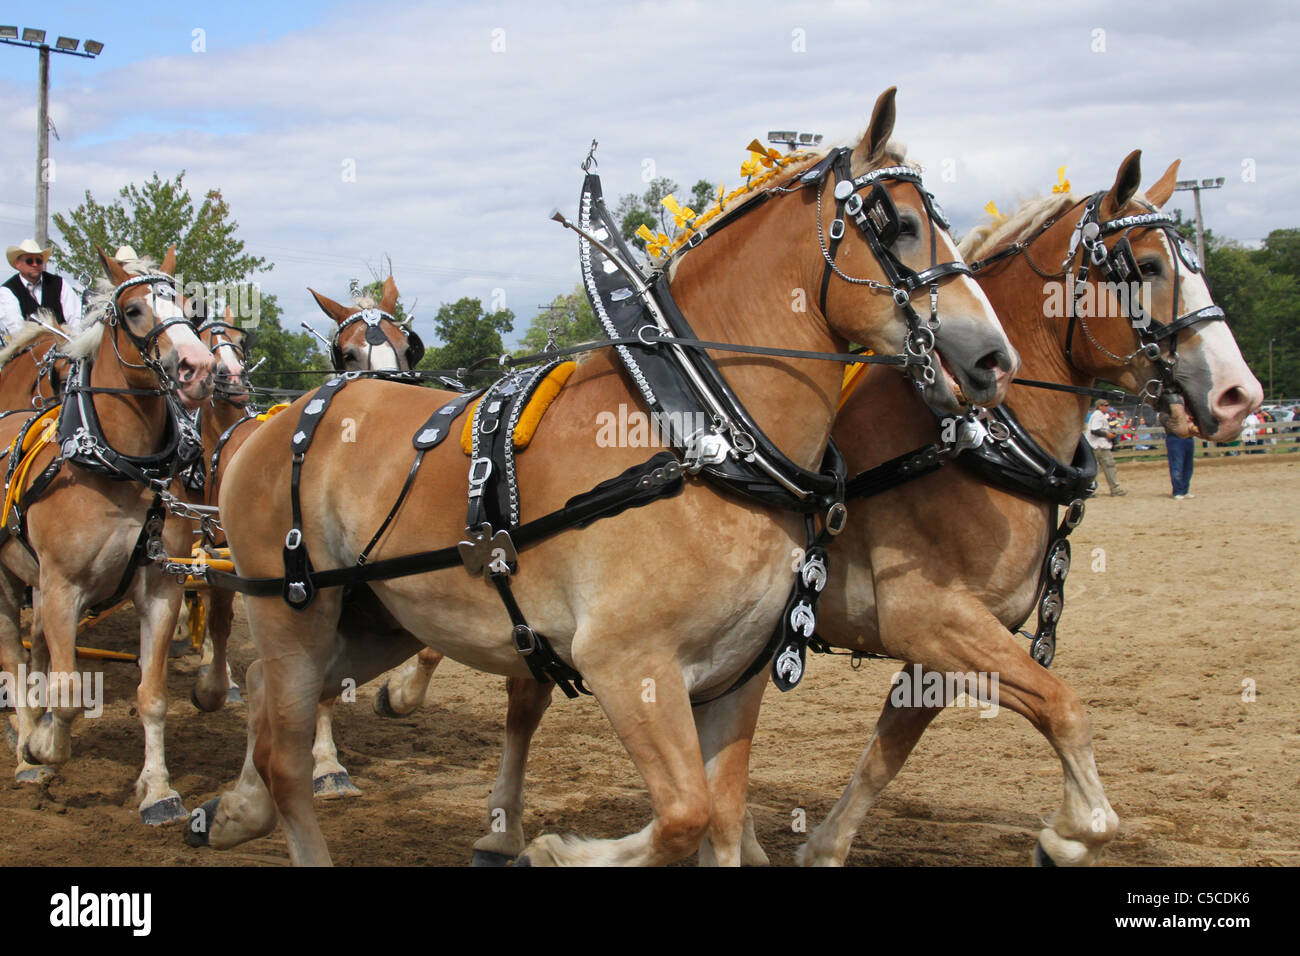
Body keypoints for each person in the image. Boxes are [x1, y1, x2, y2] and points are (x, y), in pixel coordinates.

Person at [0, 238, 83, 341]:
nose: (35, 264)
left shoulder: (59, 283)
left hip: (65, 346)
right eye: (29, 261)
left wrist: (75, 341)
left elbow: (76, 317)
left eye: (39, 261)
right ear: (18, 264)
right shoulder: (7, 290)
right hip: (29, 350)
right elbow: (17, 329)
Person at [1086, 398, 1126, 496]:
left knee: (1094, 469)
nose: (1108, 407)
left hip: (1095, 446)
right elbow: (1094, 430)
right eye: (1106, 405)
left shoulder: (1100, 415)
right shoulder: (1098, 415)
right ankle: (1115, 489)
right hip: (1100, 446)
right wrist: (1107, 435)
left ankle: (1088, 491)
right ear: (1100, 406)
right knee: (1110, 467)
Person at [1159, 395, 1195, 499]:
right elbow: (1163, 419)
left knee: (1188, 467)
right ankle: (1177, 491)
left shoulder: (1188, 409)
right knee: (1177, 465)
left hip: (1188, 438)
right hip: (1175, 438)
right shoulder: (1166, 409)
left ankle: (1185, 490)